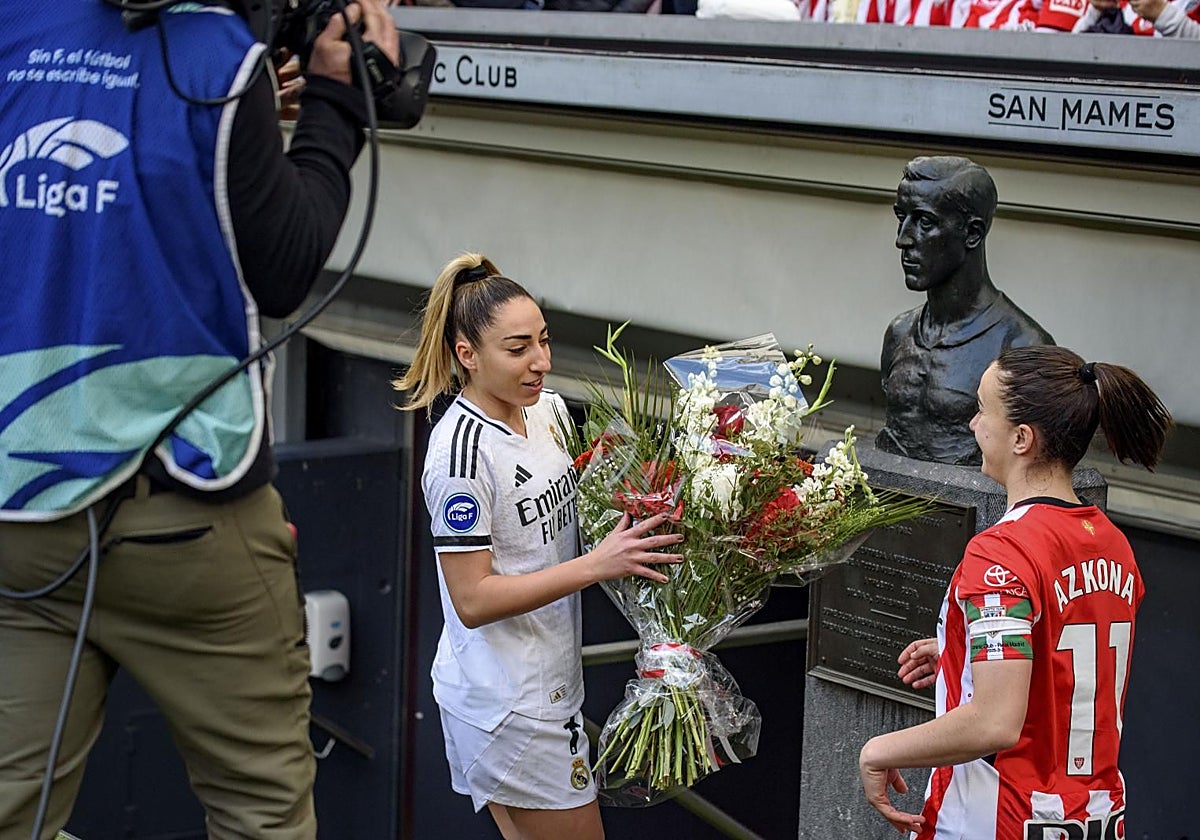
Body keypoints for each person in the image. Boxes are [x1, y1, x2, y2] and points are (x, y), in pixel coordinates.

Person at [0, 3, 399, 839]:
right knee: (262, 813)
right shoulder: (218, 59)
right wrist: (333, 104)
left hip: (20, 509)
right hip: (187, 509)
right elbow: (284, 265)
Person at [394, 253, 683, 840]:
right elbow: (472, 600)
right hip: (509, 705)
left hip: (550, 685)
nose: (542, 362)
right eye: (518, 348)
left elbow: (562, 509)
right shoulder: (459, 454)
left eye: (544, 341)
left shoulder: (546, 409)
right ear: (466, 354)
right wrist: (596, 565)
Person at [859, 345, 1173, 838]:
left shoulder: (1002, 552)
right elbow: (1065, 656)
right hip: (1091, 816)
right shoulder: (1112, 542)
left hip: (999, 817)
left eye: (983, 410)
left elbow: (995, 723)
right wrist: (965, 653)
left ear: (1022, 438)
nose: (972, 425)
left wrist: (877, 751)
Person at [877, 156, 1054, 466]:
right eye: (901, 217)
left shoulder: (1023, 348)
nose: (902, 239)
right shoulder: (899, 333)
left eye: (925, 222)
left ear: (972, 233)